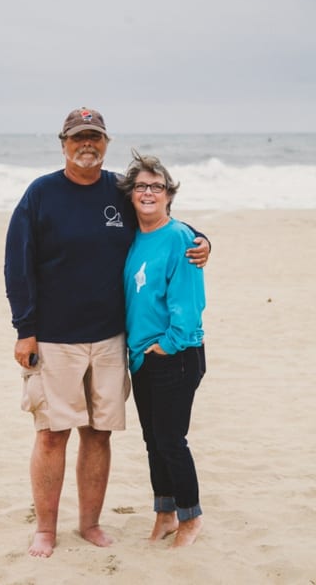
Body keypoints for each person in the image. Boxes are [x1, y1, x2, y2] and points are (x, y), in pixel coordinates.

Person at [3, 107, 210, 558]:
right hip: (54, 338)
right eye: (78, 137)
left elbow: (164, 221)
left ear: (106, 143)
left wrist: (203, 238)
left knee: (99, 433)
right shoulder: (40, 194)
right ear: (63, 143)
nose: (87, 145)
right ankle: (45, 529)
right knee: (52, 433)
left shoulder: (120, 190)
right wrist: (26, 329)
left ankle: (91, 524)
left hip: (112, 338)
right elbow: (17, 265)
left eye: (94, 137)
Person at [118, 151, 206, 547]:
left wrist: (165, 347)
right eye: (141, 186)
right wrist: (144, 354)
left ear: (169, 194)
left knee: (171, 440)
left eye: (157, 186)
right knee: (153, 440)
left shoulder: (180, 237)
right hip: (141, 357)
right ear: (131, 195)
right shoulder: (134, 238)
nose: (148, 192)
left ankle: (190, 519)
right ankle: (165, 513)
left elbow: (188, 306)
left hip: (176, 355)